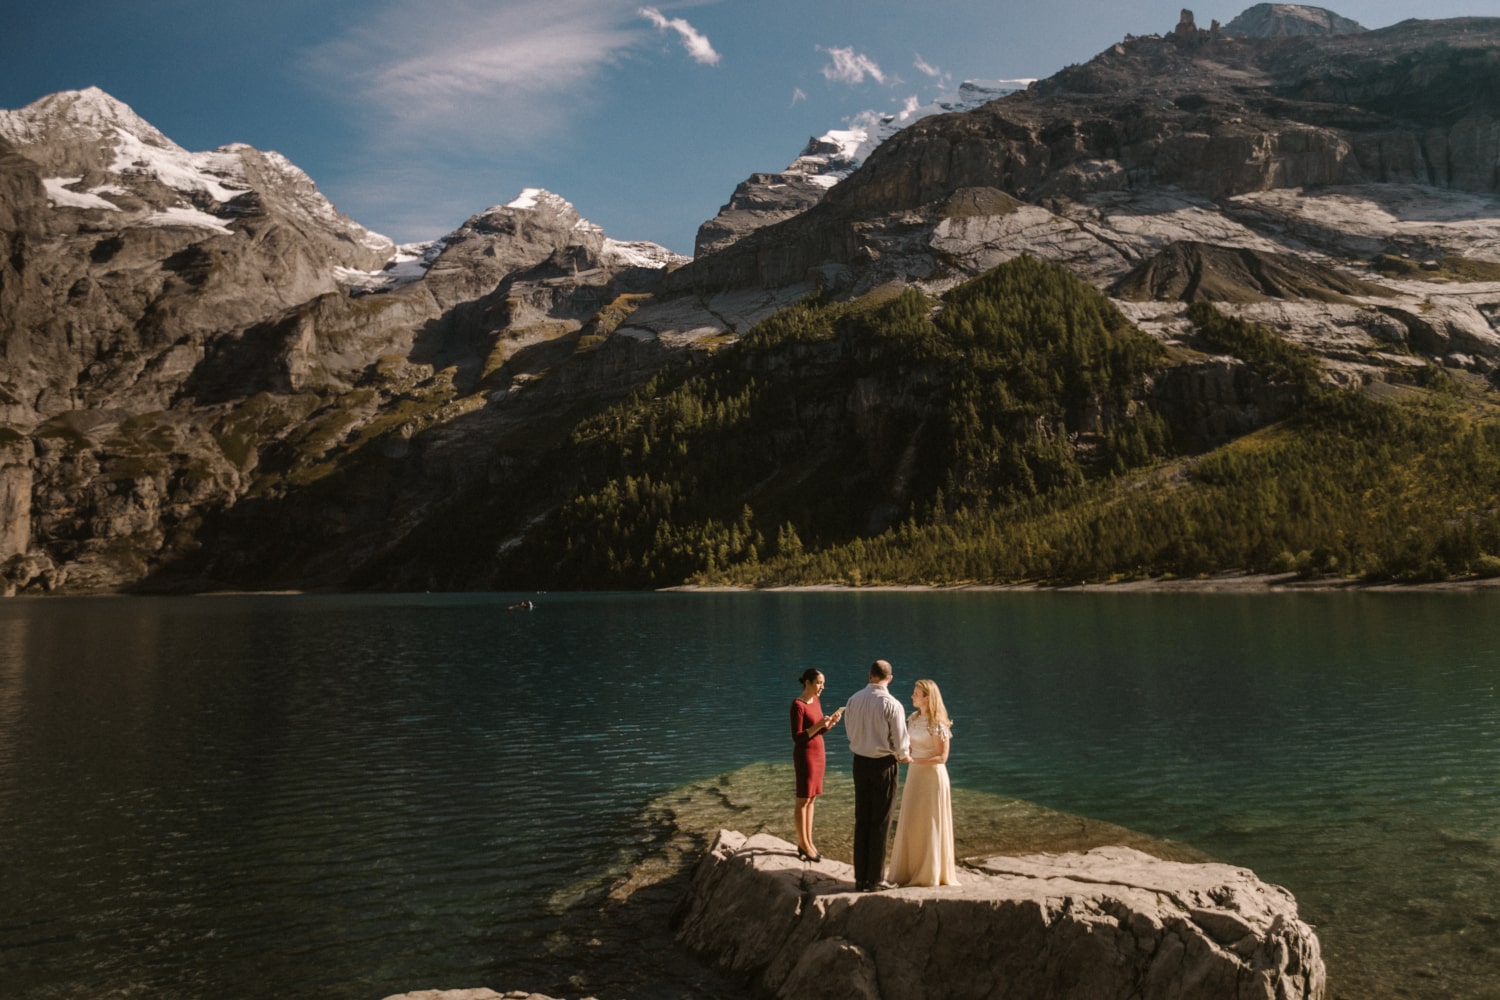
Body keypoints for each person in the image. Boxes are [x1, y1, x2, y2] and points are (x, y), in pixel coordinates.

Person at [843, 659, 910, 891]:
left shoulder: (853, 700)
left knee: (862, 818)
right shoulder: (892, 704)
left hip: (859, 762)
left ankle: (860, 878)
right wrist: (903, 755)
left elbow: (850, 732)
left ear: (870, 675)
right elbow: (901, 741)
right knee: (880, 821)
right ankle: (875, 879)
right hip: (883, 765)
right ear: (889, 678)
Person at [886, 678, 958, 887]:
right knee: (913, 819)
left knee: (930, 821)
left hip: (932, 777)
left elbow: (942, 757)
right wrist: (902, 753)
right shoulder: (913, 718)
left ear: (927, 698)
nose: (912, 696)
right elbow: (909, 745)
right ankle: (909, 870)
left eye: (916, 693)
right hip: (915, 775)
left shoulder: (938, 723)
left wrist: (914, 760)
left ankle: (930, 872)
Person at [790, 669, 844, 862]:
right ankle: (803, 844)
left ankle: (809, 842)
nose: (822, 687)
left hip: (819, 754)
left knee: (812, 799)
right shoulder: (798, 705)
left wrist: (829, 725)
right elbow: (797, 737)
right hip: (805, 756)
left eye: (823, 683)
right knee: (802, 799)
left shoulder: (816, 701)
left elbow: (818, 732)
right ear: (808, 682)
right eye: (819, 683)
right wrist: (819, 725)